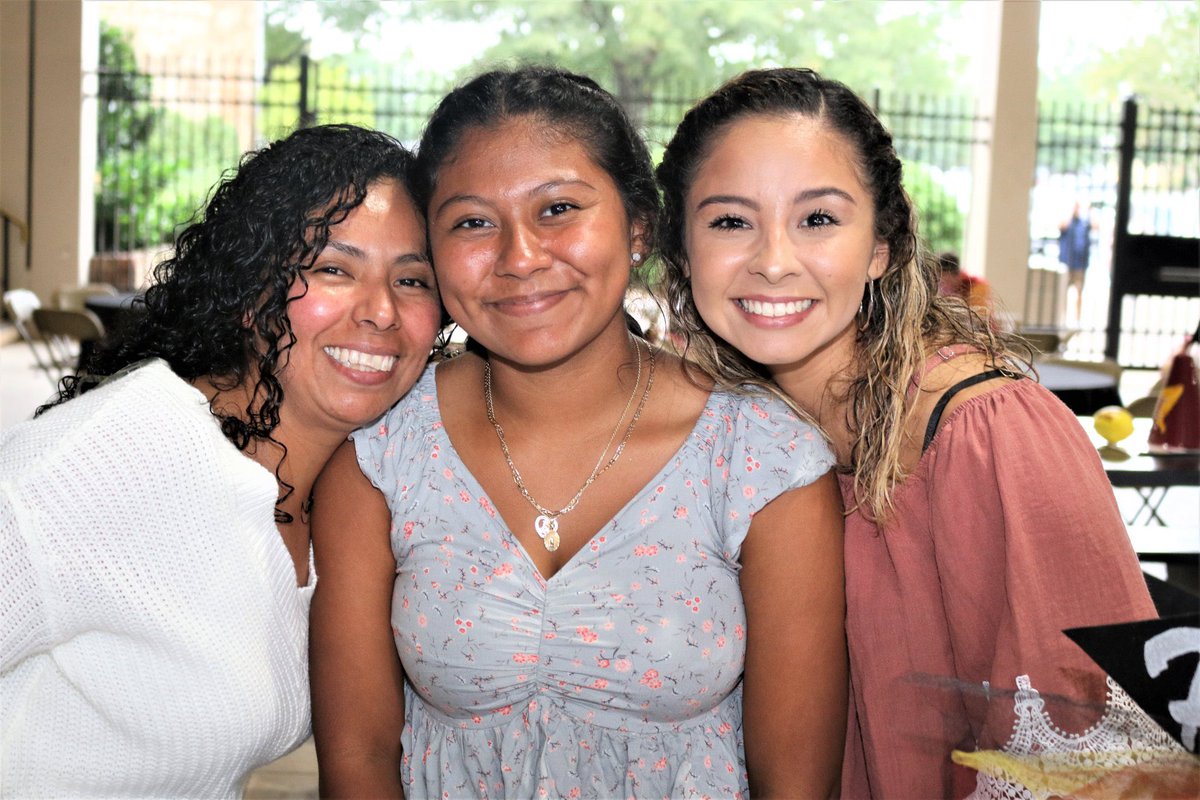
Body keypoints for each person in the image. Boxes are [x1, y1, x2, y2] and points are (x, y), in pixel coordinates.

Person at [309, 66, 846, 799]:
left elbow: (795, 784)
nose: (520, 257)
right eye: (471, 222)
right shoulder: (382, 455)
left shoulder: (761, 461)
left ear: (637, 228)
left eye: (558, 208)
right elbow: (358, 763)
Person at [656, 68, 1166, 797]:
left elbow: (1095, 767)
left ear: (881, 248)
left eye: (819, 219)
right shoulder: (724, 429)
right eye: (731, 221)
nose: (773, 260)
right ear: (681, 249)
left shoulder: (989, 436)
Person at [0, 124, 442, 797]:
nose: (381, 310)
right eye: (333, 268)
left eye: (412, 279)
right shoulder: (112, 457)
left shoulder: (352, 489)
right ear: (251, 288)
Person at [1058, 201, 1095, 325]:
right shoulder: (1068, 222)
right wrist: (1070, 211)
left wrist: (1089, 211)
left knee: (1079, 292)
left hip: (1080, 263)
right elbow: (1061, 226)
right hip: (1066, 263)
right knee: (1062, 293)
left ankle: (1077, 320)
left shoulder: (1083, 222)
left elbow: (1095, 226)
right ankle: (1061, 319)